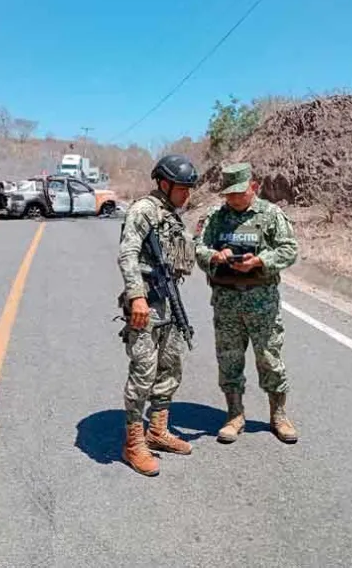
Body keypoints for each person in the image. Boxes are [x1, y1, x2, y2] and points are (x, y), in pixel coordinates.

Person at [193, 162, 300, 445]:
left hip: (262, 303)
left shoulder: (271, 215)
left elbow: (290, 249)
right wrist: (215, 256)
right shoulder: (215, 217)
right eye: (229, 194)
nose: (234, 199)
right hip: (226, 303)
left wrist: (261, 261)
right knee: (229, 359)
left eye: (239, 193)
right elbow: (198, 248)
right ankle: (234, 414)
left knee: (269, 358)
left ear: (252, 187)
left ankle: (278, 415)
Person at [115, 154, 200, 477]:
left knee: (171, 366)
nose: (187, 194)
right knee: (143, 372)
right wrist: (136, 295)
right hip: (147, 304)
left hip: (169, 302)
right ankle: (133, 443)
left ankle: (158, 431)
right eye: (182, 188)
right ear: (164, 184)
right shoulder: (143, 210)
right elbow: (127, 253)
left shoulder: (171, 214)